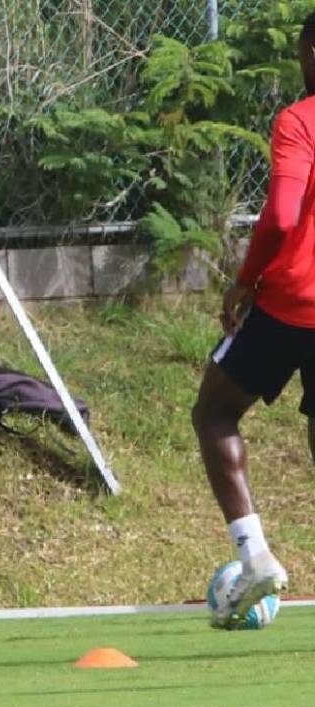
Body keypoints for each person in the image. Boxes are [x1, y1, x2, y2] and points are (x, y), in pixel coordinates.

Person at [192, 15, 315, 627]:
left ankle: (254, 552)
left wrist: (245, 281)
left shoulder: (299, 120)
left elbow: (283, 217)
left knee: (214, 411)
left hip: (291, 303)